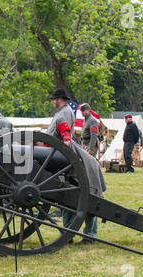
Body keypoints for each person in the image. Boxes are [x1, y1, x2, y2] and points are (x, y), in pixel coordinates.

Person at [46, 88, 106, 244]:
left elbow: (64, 129)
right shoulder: (61, 112)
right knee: (66, 199)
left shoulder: (65, 113)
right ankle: (68, 233)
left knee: (89, 197)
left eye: (54, 99)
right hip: (64, 157)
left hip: (76, 158)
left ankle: (90, 234)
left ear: (61, 99)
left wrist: (66, 140)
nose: (53, 101)